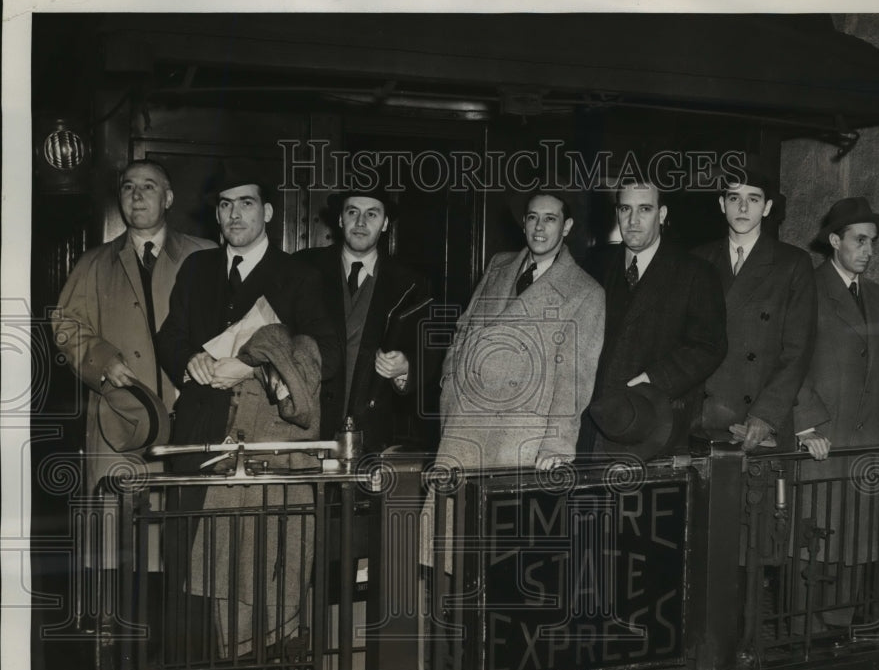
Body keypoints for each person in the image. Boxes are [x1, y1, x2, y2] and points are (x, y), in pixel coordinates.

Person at [155, 166, 339, 659]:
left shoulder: (299, 275)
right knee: (191, 558)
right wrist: (188, 359)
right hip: (197, 435)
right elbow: (169, 336)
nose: (234, 214)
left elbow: (327, 351)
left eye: (246, 204)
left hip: (259, 445)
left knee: (254, 566)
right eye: (225, 205)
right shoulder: (197, 268)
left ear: (269, 213)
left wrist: (253, 365)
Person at [52, 159, 214, 497]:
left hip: (191, 427)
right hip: (119, 424)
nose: (136, 195)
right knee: (117, 533)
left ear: (168, 198)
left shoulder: (206, 256)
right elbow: (65, 325)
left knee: (183, 535)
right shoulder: (93, 263)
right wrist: (102, 360)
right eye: (128, 187)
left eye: (148, 186)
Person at [792, 197, 879, 630]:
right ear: (834, 240)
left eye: (873, 242)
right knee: (812, 543)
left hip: (863, 442)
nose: (869, 250)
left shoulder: (877, 297)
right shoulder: (806, 287)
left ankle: (838, 633)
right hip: (823, 436)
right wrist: (806, 425)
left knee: (856, 543)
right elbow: (790, 363)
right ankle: (801, 637)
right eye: (860, 241)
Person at [436, 191, 604, 472]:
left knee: (495, 514)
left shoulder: (585, 292)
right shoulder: (498, 265)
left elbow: (574, 380)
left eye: (550, 219)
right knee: (447, 513)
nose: (539, 227)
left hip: (520, 434)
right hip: (463, 420)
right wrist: (449, 381)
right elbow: (465, 327)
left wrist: (557, 446)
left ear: (567, 227)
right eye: (532, 217)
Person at [581, 179, 726, 460]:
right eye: (625, 209)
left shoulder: (695, 272)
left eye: (644, 209)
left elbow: (710, 346)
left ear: (662, 215)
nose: (633, 220)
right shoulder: (595, 263)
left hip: (651, 426)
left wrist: (653, 380)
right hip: (590, 427)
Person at [294, 184, 431, 450]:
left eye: (372, 214)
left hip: (373, 432)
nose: (360, 222)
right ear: (339, 219)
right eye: (353, 212)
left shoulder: (411, 283)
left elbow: (428, 353)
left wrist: (406, 367)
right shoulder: (304, 267)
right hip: (307, 424)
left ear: (385, 223)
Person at [694, 169, 817, 452]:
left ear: (767, 207)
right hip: (704, 418)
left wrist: (765, 415)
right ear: (722, 204)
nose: (743, 207)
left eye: (754, 199)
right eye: (734, 198)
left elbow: (798, 351)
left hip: (760, 419)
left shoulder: (793, 264)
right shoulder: (698, 260)